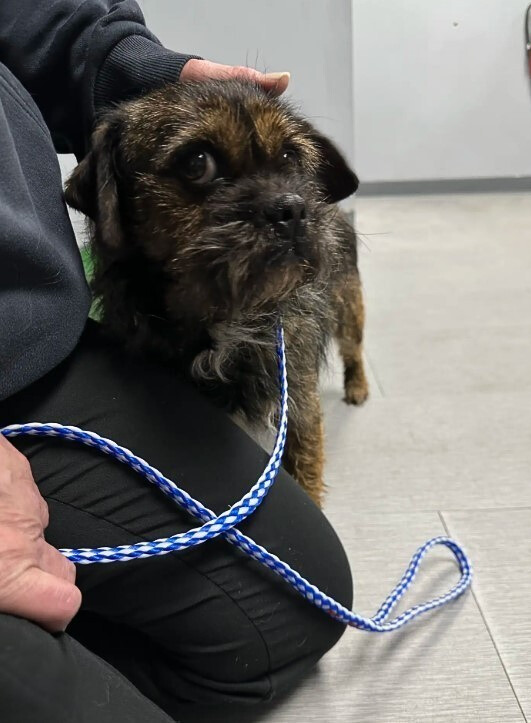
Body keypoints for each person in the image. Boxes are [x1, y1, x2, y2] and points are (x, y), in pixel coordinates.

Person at [0, 3, 353, 721]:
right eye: (199, 164)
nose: (286, 202)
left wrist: (125, 58)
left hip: (34, 347)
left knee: (298, 596)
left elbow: (49, 18)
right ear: (111, 201)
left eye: (290, 163)